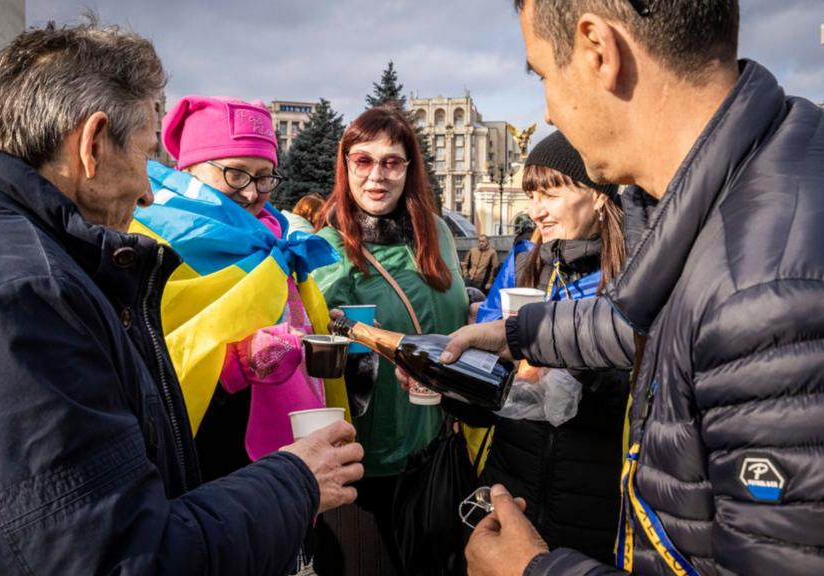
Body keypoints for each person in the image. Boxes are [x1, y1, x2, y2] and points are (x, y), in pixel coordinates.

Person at [452, 1, 824, 575]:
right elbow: (656, 323)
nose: (549, 111)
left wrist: (534, 570)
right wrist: (515, 334)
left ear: (599, 49)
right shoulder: (767, 163)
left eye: (544, 75)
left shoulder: (780, 298)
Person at [0, 24, 363, 575]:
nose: (147, 190)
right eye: (144, 154)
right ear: (92, 145)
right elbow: (119, 557)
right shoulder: (25, 294)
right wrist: (295, 480)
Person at [129, 96, 349, 488]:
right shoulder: (154, 239)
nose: (252, 193)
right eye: (236, 174)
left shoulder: (275, 234)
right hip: (214, 460)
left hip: (294, 450)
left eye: (264, 176)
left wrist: (322, 322)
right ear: (191, 170)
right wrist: (238, 362)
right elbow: (147, 364)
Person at [311, 105, 469, 575]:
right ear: (345, 165)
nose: (377, 175)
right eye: (363, 160)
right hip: (360, 459)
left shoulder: (434, 231)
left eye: (391, 162)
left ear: (408, 168)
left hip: (430, 444)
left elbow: (448, 310)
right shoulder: (324, 242)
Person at [474, 131, 628, 561]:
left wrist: (571, 363)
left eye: (550, 193)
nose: (536, 210)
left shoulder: (633, 273)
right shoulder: (524, 263)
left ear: (597, 195)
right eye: (530, 194)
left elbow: (643, 383)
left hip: (596, 497)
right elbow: (486, 364)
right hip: (511, 485)